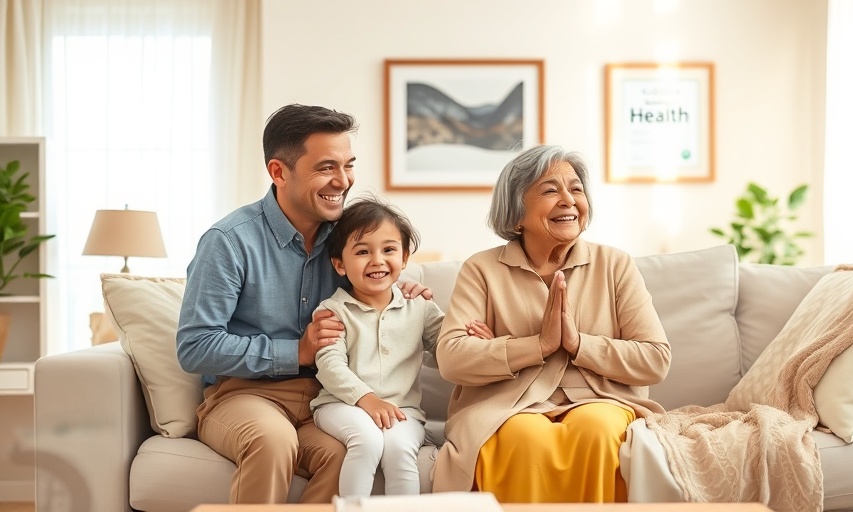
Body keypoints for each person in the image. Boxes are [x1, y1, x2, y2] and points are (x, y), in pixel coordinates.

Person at [176, 104, 429, 504]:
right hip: (244, 396)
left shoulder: (347, 239)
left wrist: (405, 290)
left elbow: (380, 273)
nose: (343, 181)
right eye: (327, 167)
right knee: (273, 441)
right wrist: (296, 351)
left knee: (347, 453)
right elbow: (195, 346)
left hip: (323, 399)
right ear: (279, 172)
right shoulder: (229, 241)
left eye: (348, 165)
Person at [431, 145, 672, 503]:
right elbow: (452, 357)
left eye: (576, 189)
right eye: (550, 190)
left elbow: (655, 359)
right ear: (516, 213)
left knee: (597, 428)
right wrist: (537, 346)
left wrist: (578, 344)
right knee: (522, 436)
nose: (569, 200)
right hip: (508, 406)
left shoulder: (615, 265)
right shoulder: (481, 269)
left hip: (601, 400)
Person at [309, 195, 494, 497]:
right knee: (367, 440)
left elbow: (447, 351)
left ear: (405, 258)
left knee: (399, 449)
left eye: (389, 250)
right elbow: (330, 367)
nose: (377, 260)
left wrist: (477, 344)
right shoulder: (332, 311)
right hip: (340, 405)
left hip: (403, 410)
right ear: (339, 264)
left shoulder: (419, 307)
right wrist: (367, 400)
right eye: (363, 251)